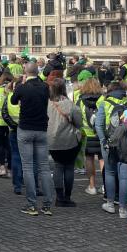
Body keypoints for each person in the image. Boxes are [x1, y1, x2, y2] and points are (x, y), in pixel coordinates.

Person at [10, 63, 55, 215]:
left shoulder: (22, 87)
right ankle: (47, 205)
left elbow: (13, 101)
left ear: (25, 72)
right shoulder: (44, 87)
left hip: (25, 129)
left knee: (28, 167)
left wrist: (22, 84)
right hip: (41, 129)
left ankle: (32, 204)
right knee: (44, 167)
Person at [96, 80, 127, 218]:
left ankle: (110, 204)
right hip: (126, 144)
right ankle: (123, 209)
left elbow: (98, 125)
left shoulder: (104, 103)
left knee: (110, 173)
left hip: (109, 143)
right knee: (124, 176)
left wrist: (103, 140)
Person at [46, 78, 82, 207]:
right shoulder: (70, 105)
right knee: (68, 168)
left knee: (58, 166)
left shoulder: (47, 104)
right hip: (69, 141)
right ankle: (67, 197)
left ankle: (59, 197)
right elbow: (79, 123)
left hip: (52, 141)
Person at [75, 77, 103, 196]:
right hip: (100, 134)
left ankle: (92, 186)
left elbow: (77, 117)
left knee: (89, 159)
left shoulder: (80, 101)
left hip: (86, 135)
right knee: (103, 159)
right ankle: (105, 185)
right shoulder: (102, 99)